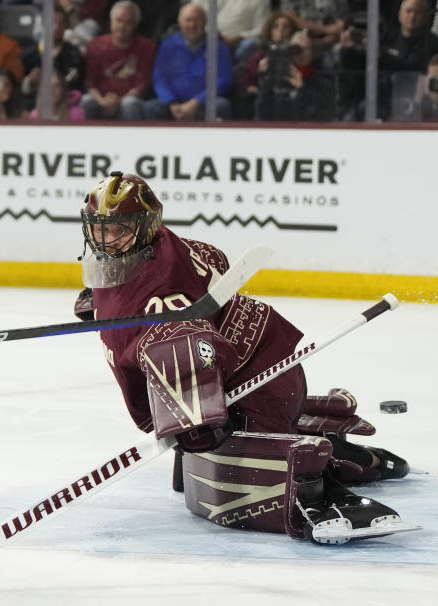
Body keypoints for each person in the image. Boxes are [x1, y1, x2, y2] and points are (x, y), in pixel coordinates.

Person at [74, 171, 413, 544]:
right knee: (199, 455)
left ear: (145, 226)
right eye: (98, 228)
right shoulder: (154, 247)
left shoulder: (164, 296)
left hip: (261, 378)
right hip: (247, 364)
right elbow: (213, 257)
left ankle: (339, 484)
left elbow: (193, 348)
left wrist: (196, 418)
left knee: (265, 459)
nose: (103, 240)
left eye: (116, 229)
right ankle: (325, 437)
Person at [144, 2, 233, 122]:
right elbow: (159, 77)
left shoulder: (217, 46)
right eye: (188, 20)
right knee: (149, 108)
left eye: (197, 20)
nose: (192, 25)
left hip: (203, 104)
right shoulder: (168, 45)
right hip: (173, 104)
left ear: (205, 22)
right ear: (180, 23)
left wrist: (195, 102)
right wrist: (172, 102)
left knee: (222, 106)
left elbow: (223, 79)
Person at [79, 0, 155, 120]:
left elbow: (142, 84)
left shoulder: (146, 47)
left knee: (130, 104)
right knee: (86, 101)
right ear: (111, 21)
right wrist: (102, 101)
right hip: (101, 100)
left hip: (128, 100)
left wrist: (119, 100)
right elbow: (90, 82)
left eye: (128, 22)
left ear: (136, 24)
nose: (122, 26)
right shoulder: (95, 45)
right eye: (118, 20)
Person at [255, 30, 336, 121]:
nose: (300, 53)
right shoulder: (277, 81)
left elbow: (323, 116)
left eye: (305, 49)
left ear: (313, 53)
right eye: (296, 49)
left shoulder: (323, 84)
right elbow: (261, 115)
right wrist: (265, 79)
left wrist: (302, 89)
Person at [20, 5, 84, 109]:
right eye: (52, 22)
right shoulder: (28, 54)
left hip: (66, 108)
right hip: (33, 108)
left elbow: (76, 86)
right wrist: (29, 82)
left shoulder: (73, 54)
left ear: (67, 26)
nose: (57, 26)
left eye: (61, 22)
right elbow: (17, 89)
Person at [194, 0, 271, 63]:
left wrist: (240, 36)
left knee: (251, 43)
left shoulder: (261, 2)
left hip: (240, 42)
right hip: (217, 36)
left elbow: (262, 29)